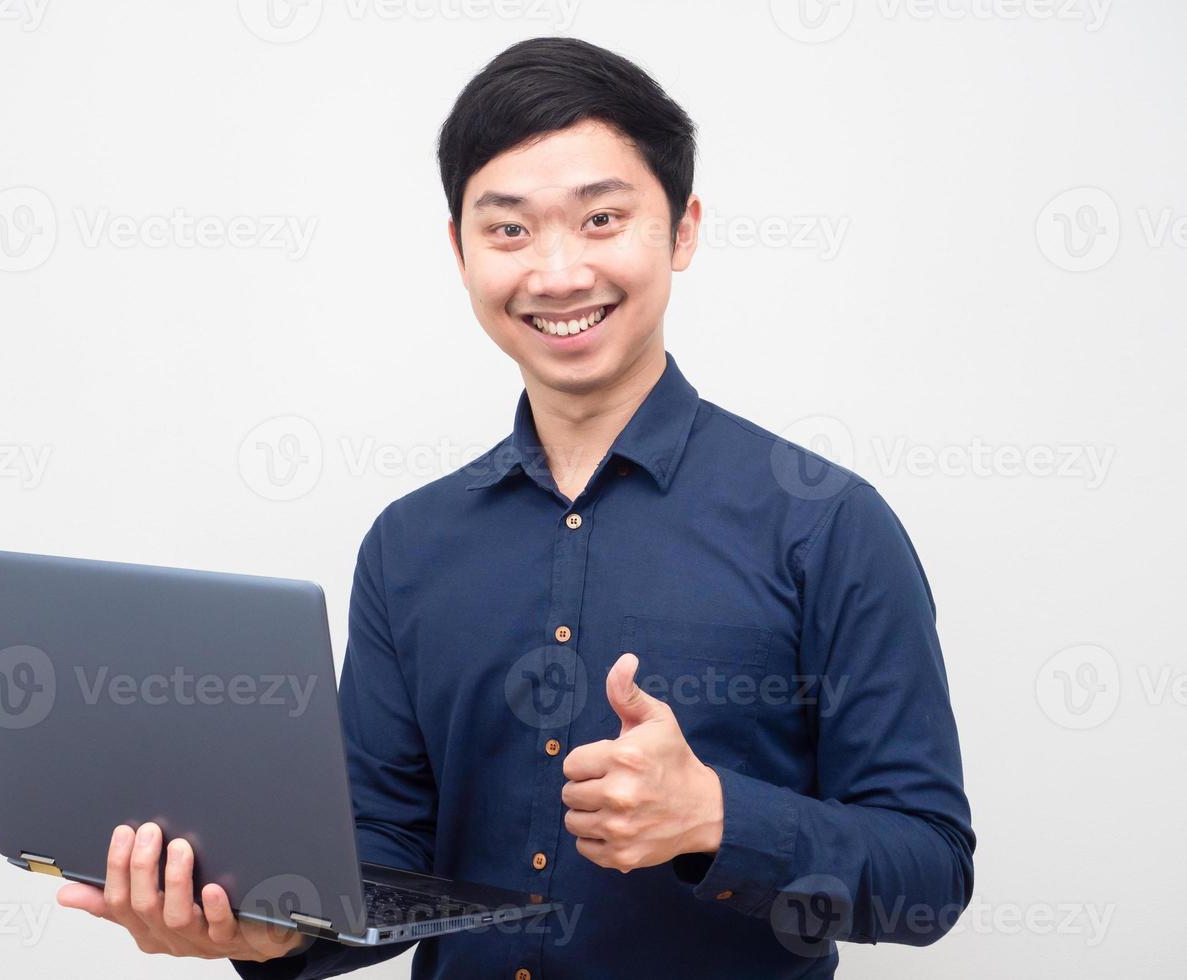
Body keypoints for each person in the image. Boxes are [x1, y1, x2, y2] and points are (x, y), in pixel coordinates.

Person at [57, 35, 975, 979]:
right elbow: (382, 866)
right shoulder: (410, 546)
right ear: (458, 250)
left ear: (683, 229)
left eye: (602, 219)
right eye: (509, 230)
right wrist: (268, 929)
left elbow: (930, 869)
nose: (558, 272)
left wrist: (716, 818)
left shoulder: (825, 524)